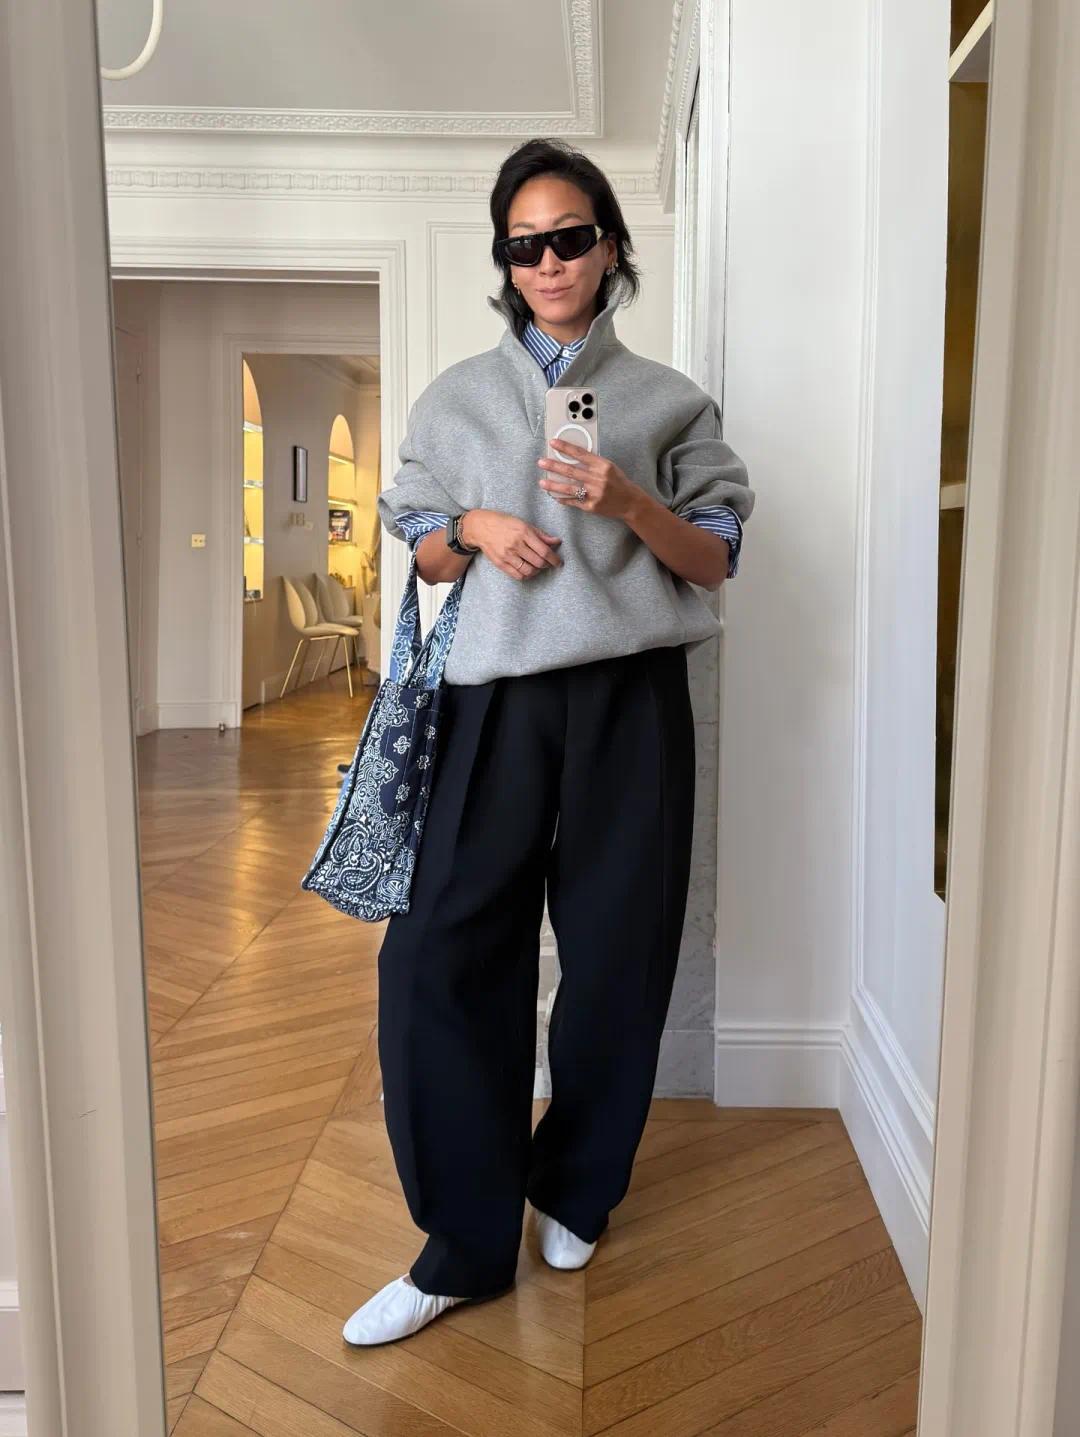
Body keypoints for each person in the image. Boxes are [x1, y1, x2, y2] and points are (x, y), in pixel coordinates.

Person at [342, 137, 755, 1346]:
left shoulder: (669, 399)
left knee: (619, 953)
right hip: (492, 703)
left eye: (570, 237)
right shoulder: (455, 399)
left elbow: (716, 557)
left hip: (631, 698)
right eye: (524, 246)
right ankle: (462, 1246)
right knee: (437, 957)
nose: (549, 262)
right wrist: (472, 524)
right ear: (506, 263)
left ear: (610, 248)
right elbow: (423, 552)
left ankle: (575, 1187)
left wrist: (628, 500)